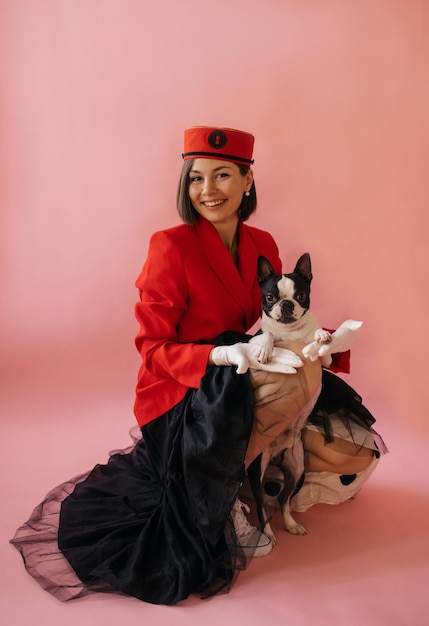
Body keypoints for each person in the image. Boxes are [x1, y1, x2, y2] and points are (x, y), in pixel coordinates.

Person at [11, 126, 387, 606]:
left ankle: (259, 481)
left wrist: (329, 340)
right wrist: (223, 354)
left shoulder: (262, 242)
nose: (207, 191)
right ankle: (220, 492)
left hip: (241, 364)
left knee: (351, 456)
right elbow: (152, 349)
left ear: (247, 180)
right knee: (292, 385)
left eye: (223, 176)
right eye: (195, 178)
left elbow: (277, 315)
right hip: (181, 384)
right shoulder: (170, 245)